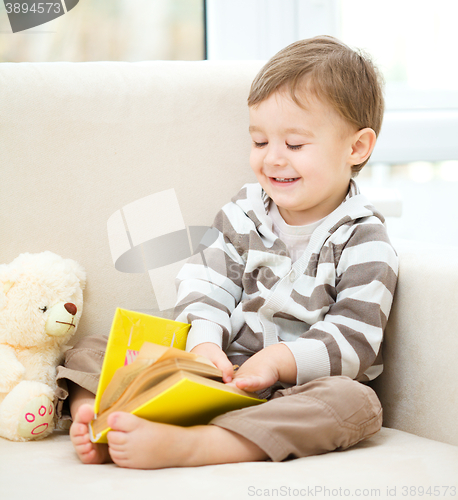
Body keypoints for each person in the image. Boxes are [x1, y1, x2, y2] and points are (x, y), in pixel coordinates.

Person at [58, 35, 398, 469]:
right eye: (259, 142)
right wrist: (203, 345)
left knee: (357, 404)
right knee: (92, 347)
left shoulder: (365, 240)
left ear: (356, 147)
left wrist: (277, 362)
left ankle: (205, 444)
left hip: (287, 394)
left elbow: (355, 340)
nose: (272, 159)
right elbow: (206, 282)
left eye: (294, 145)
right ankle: (98, 414)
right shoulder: (245, 211)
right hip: (214, 369)